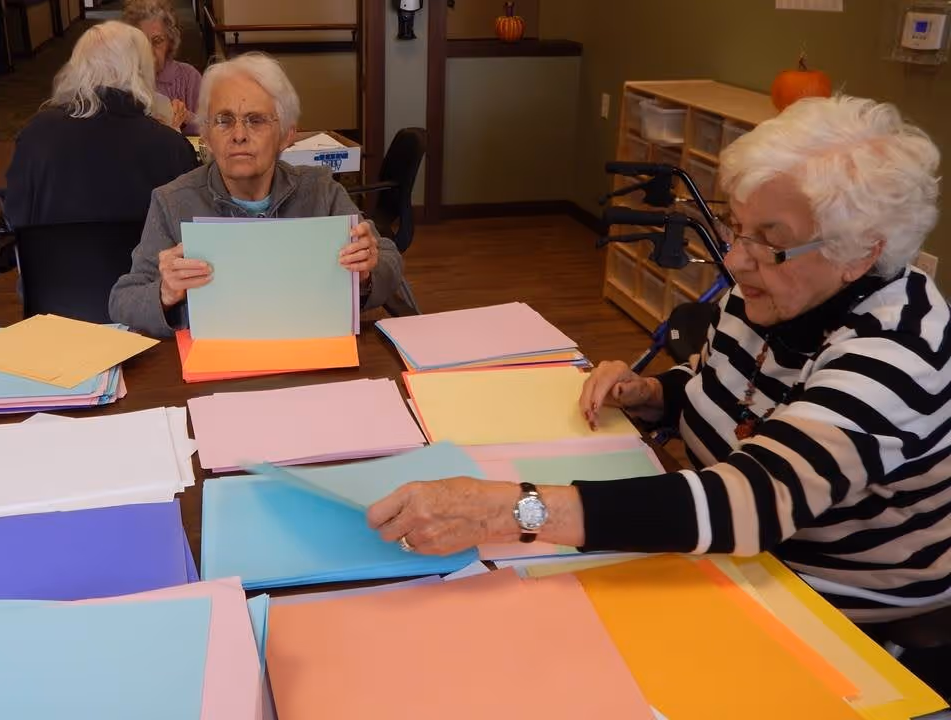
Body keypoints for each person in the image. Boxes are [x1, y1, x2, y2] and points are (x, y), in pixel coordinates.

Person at [367, 97, 951, 655]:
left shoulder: (897, 349)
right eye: (735, 228)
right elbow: (722, 390)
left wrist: (506, 510)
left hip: (828, 595)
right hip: (731, 553)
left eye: (770, 243)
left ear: (860, 253)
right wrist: (652, 394)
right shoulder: (775, 292)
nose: (735, 260)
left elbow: (750, 503)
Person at [109, 52, 416, 337]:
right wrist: (165, 292)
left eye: (255, 120)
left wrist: (367, 271)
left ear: (286, 135)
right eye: (224, 120)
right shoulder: (172, 202)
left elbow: (389, 261)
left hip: (308, 354)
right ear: (206, 136)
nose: (239, 134)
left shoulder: (321, 191)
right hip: (215, 366)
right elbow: (123, 301)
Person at [4, 21, 198, 229]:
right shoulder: (170, 145)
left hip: (53, 261)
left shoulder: (36, 133)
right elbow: (188, 225)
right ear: (139, 71)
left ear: (78, 67)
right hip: (147, 261)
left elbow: (16, 217)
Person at [122, 0, 201, 134]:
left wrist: (186, 116)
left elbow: (212, 127)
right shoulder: (121, 79)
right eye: (141, 42)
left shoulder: (189, 77)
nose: (149, 51)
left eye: (157, 41)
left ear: (170, 41)